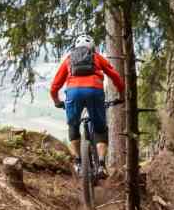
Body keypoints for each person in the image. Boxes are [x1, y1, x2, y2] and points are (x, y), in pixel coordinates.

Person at [49, 34, 125, 178]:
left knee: (73, 125)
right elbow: (115, 76)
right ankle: (102, 165)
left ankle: (78, 162)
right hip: (94, 92)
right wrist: (121, 96)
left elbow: (54, 86)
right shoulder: (97, 57)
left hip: (73, 93)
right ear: (93, 47)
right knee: (100, 128)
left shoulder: (69, 59)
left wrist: (57, 101)